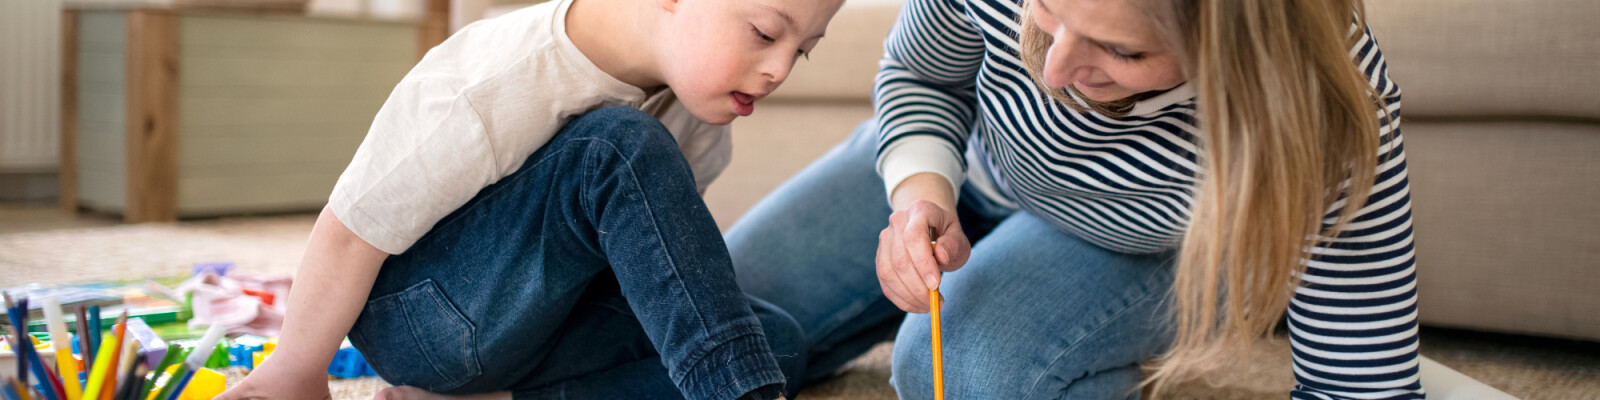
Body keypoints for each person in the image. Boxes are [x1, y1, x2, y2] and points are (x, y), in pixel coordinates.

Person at [727, 0, 1422, 398]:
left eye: (1120, 52)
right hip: (971, 165)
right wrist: (919, 190)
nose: (1052, 71)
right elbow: (922, 75)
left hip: (1139, 243)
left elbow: (1360, 379)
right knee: (693, 322)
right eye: (1048, 11)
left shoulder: (1324, 107)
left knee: (960, 369)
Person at [216, 0, 843, 398]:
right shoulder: (499, 75)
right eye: (765, 33)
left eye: (803, 50)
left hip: (543, 332)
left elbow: (661, 279)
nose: (780, 69)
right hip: (423, 318)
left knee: (770, 345)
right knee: (617, 147)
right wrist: (297, 367)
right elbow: (354, 226)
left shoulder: (702, 120)